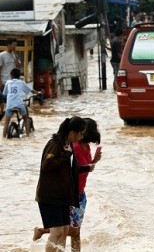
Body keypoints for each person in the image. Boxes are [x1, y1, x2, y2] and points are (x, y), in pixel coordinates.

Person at [33, 118, 102, 252]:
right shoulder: (55, 144)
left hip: (63, 196)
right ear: (72, 132)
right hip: (50, 195)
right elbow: (46, 165)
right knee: (57, 231)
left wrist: (87, 167)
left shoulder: (68, 145)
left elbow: (72, 169)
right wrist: (66, 155)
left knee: (64, 230)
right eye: (81, 133)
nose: (82, 137)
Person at [2, 68, 41, 138]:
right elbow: (31, 90)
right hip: (19, 104)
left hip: (9, 105)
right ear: (19, 76)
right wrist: (38, 93)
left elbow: (4, 94)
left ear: (11, 75)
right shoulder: (21, 82)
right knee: (25, 118)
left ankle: (3, 137)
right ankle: (28, 136)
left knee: (6, 122)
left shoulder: (8, 82)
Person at [0, 37, 21, 120]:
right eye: (13, 45)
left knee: (11, 102)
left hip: (13, 82)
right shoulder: (2, 55)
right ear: (8, 45)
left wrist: (15, 54)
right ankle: (3, 116)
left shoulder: (14, 55)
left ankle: (7, 119)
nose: (15, 47)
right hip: (4, 82)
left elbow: (18, 66)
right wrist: (0, 82)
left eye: (16, 45)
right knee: (2, 101)